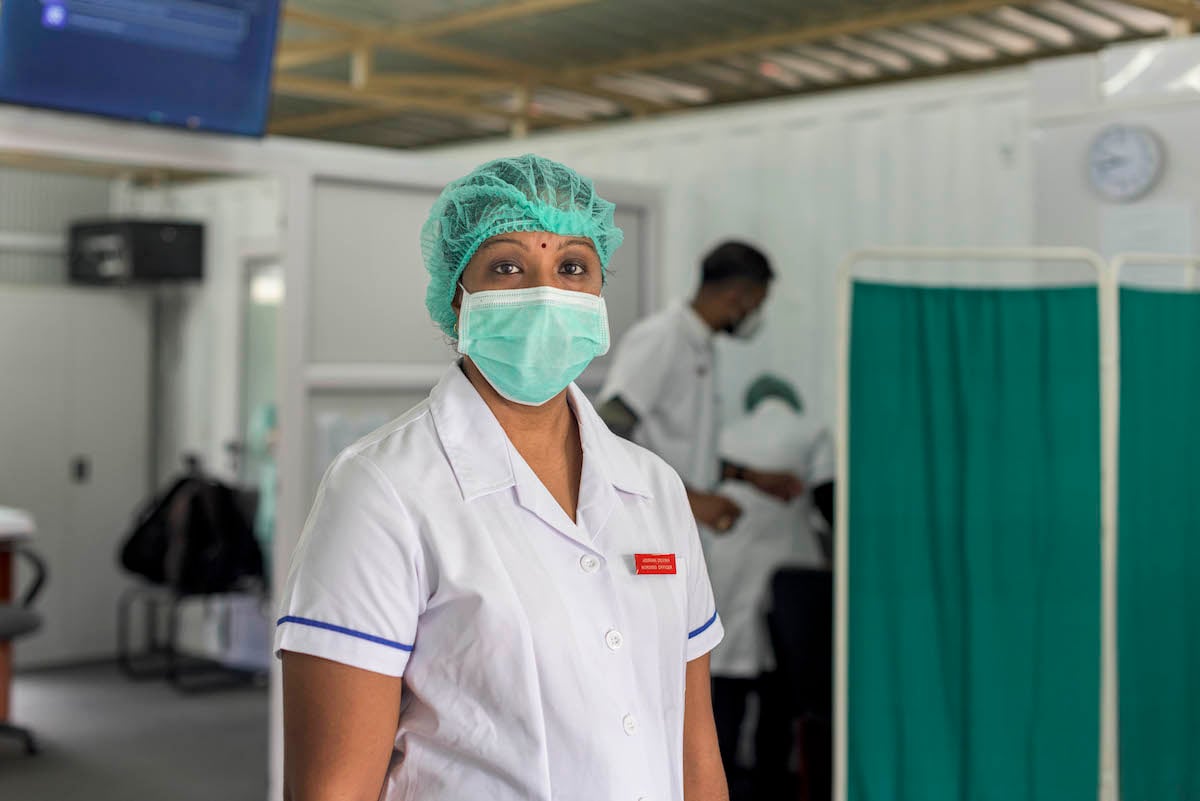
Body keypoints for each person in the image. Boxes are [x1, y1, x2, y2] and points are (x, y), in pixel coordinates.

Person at [276, 154, 729, 801]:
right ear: (457, 295)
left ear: (599, 292)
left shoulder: (654, 489)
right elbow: (333, 789)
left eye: (572, 267)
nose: (545, 293)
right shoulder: (381, 489)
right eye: (508, 267)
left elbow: (694, 747)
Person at [597, 241, 804, 534]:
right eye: (757, 305)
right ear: (737, 296)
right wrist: (691, 501)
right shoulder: (663, 337)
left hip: (678, 525)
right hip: (648, 525)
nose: (756, 315)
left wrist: (749, 476)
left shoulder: (701, 347)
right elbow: (608, 430)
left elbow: (683, 449)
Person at [704, 376, 833, 800]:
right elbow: (827, 499)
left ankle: (720, 783)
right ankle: (771, 785)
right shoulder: (813, 431)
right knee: (778, 691)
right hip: (790, 570)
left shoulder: (724, 433)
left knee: (726, 685)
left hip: (729, 570)